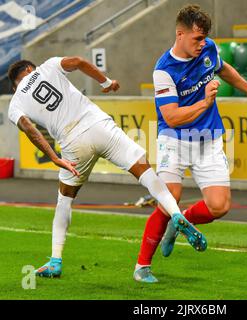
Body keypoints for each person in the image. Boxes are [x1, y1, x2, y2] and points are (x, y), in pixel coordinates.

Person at [7, 56, 207, 281]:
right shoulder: (49, 65)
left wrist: (55, 158)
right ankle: (176, 214)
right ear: (28, 68)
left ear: (16, 82)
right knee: (146, 173)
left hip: (72, 142)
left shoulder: (15, 103)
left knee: (64, 200)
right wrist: (105, 82)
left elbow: (30, 130)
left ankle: (55, 261)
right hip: (98, 124)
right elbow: (79, 61)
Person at [134, 4, 247, 283]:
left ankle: (181, 222)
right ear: (179, 34)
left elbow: (223, 68)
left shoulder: (208, 48)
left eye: (203, 39)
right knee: (169, 197)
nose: (202, 44)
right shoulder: (163, 70)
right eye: (196, 39)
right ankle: (142, 267)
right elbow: (172, 117)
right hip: (174, 140)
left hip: (208, 140)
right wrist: (205, 102)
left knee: (219, 206)